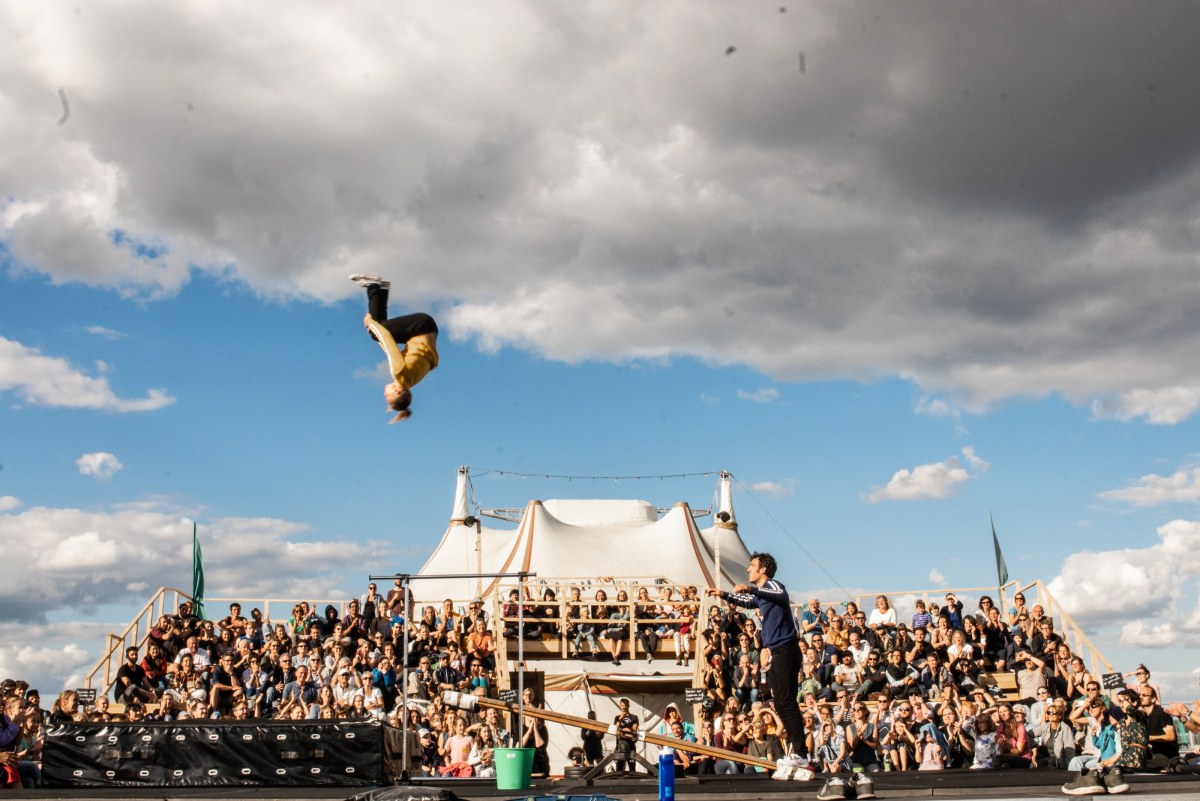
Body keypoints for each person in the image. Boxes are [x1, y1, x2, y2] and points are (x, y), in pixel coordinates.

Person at [708, 552, 806, 757]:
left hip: (787, 649)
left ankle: (801, 753)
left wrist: (752, 589)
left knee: (787, 701)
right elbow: (749, 601)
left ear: (763, 569)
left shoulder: (773, 585)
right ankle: (797, 751)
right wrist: (723, 594)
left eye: (752, 565)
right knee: (779, 702)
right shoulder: (761, 595)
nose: (748, 569)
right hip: (777, 652)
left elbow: (780, 595)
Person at [350, 274, 439, 422]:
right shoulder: (399, 374)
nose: (385, 394)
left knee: (378, 330)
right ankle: (373, 285)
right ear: (398, 392)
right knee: (375, 331)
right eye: (388, 397)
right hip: (420, 326)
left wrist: (377, 332)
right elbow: (389, 343)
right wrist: (370, 324)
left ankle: (382, 289)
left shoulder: (411, 380)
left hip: (428, 330)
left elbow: (390, 349)